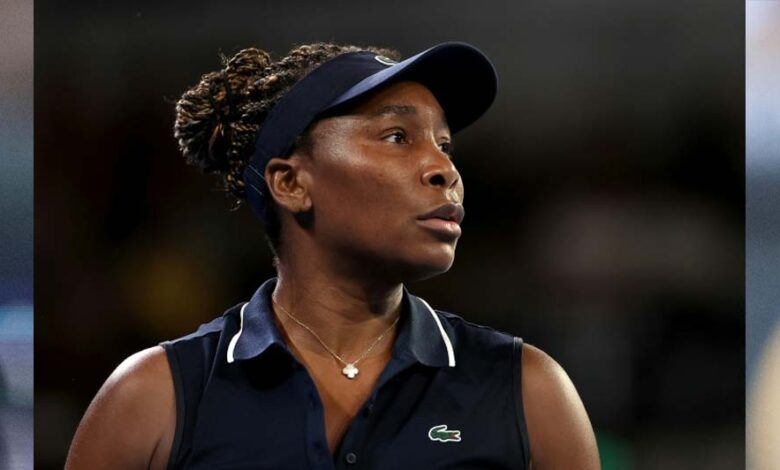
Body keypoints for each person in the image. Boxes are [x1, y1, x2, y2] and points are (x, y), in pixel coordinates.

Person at [66, 41, 599, 469]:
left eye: (444, 144)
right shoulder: (153, 396)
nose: (445, 170)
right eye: (397, 136)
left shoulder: (529, 390)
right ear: (291, 183)